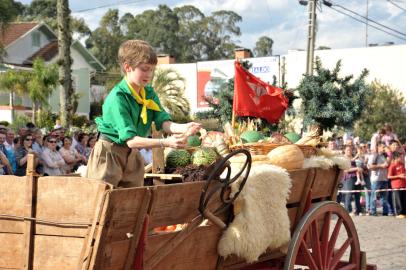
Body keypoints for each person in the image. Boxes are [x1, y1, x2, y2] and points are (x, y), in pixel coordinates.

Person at [86, 40, 200, 187]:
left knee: (133, 204)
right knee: (103, 203)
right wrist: (165, 142)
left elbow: (163, 122)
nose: (149, 74)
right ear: (128, 67)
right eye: (144, 69)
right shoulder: (118, 97)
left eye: (152, 70)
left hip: (132, 154)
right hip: (109, 154)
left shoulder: (149, 93)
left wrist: (184, 127)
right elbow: (131, 140)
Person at [367, 142, 391, 216]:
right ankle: (373, 211)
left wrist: (389, 153)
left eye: (384, 147)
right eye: (382, 147)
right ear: (378, 147)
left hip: (384, 179)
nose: (384, 148)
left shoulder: (384, 156)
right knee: (374, 196)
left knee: (385, 197)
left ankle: (385, 211)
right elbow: (369, 166)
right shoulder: (373, 156)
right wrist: (381, 166)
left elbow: (387, 164)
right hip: (376, 179)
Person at [342, 145, 363, 216]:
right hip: (348, 178)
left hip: (356, 178)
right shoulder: (343, 158)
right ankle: (347, 211)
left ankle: (358, 210)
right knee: (349, 195)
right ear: (344, 150)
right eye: (348, 150)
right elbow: (345, 170)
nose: (349, 151)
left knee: (358, 194)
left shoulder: (352, 157)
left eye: (350, 150)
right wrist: (356, 169)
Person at [387, 151, 406, 218]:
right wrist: (399, 176)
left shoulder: (402, 164)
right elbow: (389, 176)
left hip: (403, 185)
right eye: (400, 157)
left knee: (404, 200)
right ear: (396, 158)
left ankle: (404, 212)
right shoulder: (392, 166)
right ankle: (398, 213)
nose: (402, 158)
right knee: (398, 200)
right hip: (396, 186)